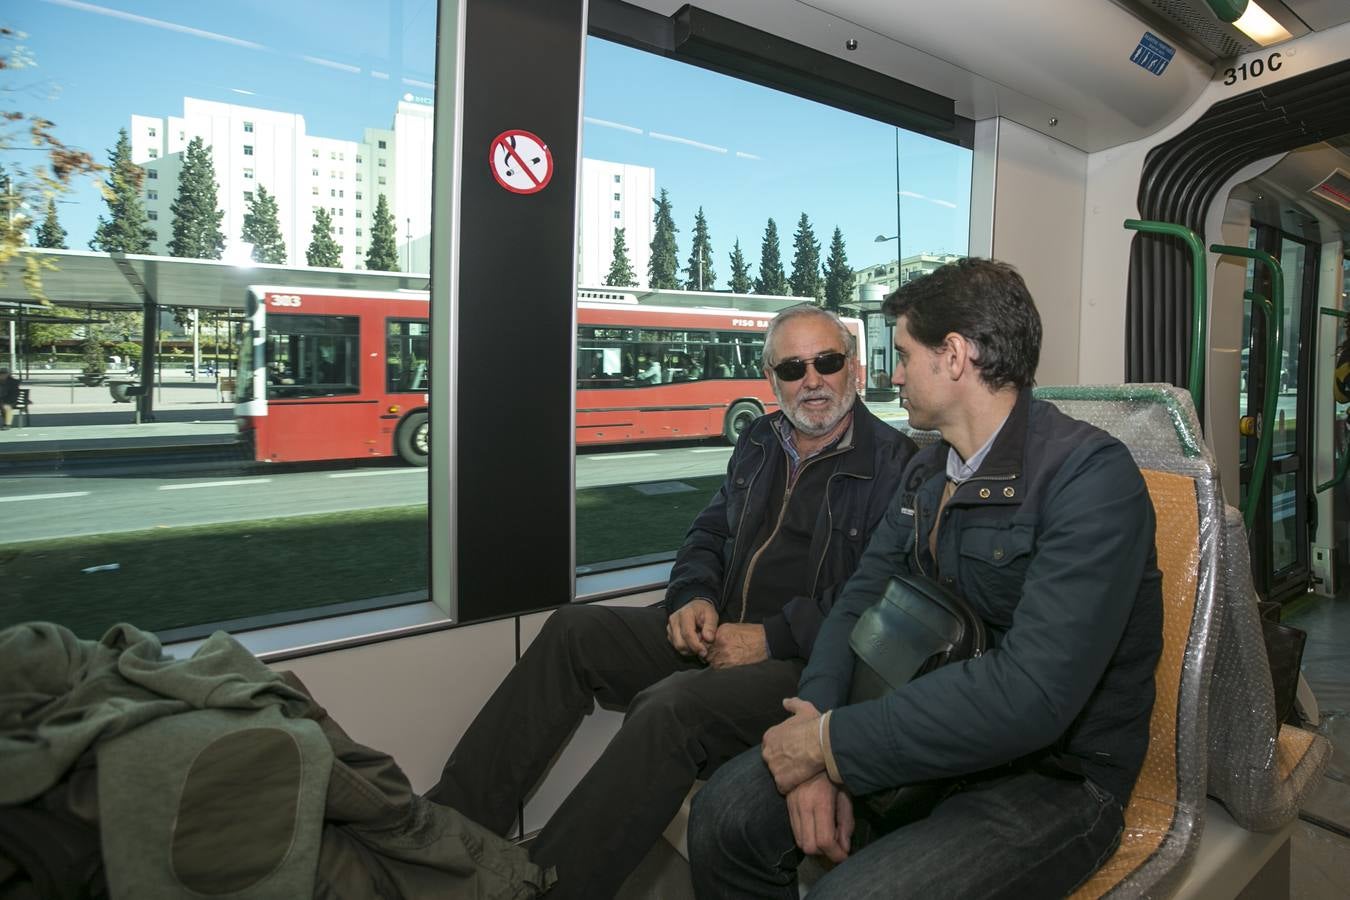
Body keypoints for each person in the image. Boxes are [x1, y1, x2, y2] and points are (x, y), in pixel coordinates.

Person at [688, 258, 1164, 899]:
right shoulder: (928, 472)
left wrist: (831, 745)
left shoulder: (1091, 481)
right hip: (921, 722)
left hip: (1050, 779)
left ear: (956, 355)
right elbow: (857, 601)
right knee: (725, 816)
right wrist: (816, 723)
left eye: (906, 355)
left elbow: (1030, 695)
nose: (892, 374)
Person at [425, 304, 917, 899]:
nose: (811, 380)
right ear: (771, 379)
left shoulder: (896, 466)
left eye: (827, 361)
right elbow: (707, 533)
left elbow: (879, 598)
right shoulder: (761, 440)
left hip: (801, 665)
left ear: (855, 370)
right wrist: (691, 595)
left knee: (671, 706)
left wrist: (770, 638)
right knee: (572, 631)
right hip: (719, 633)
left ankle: (539, 887)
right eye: (792, 368)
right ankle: (443, 834)